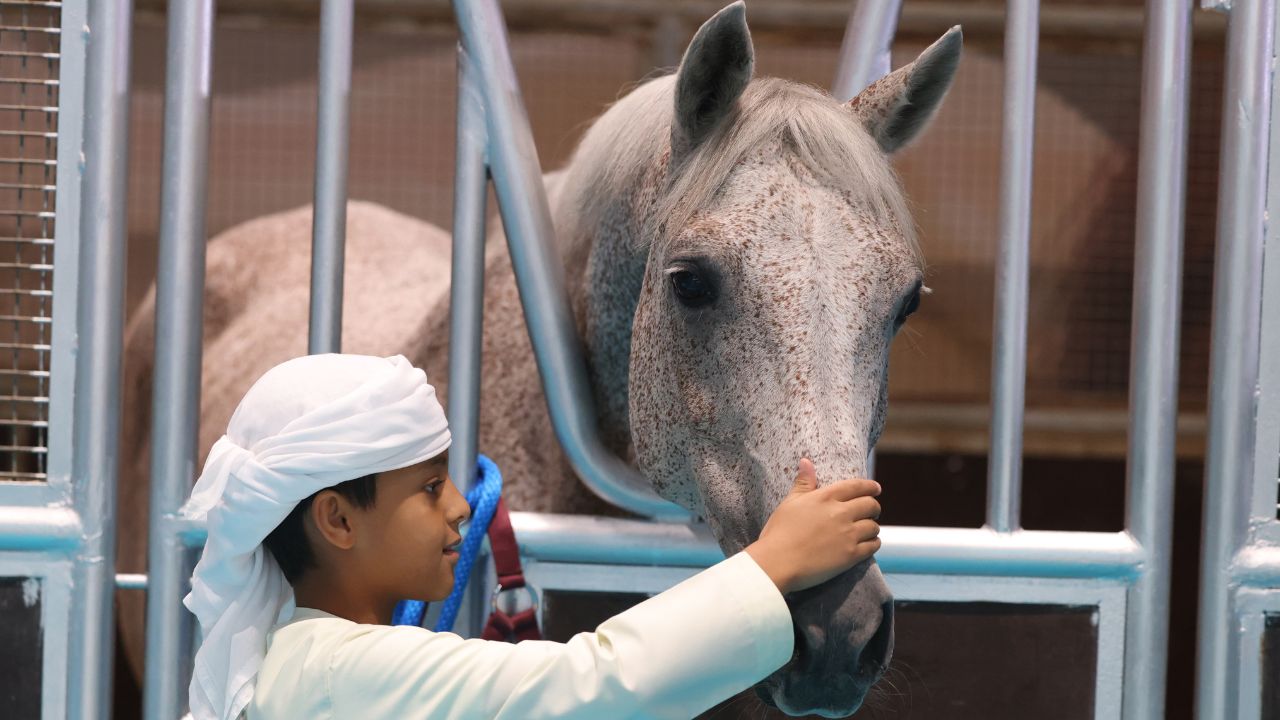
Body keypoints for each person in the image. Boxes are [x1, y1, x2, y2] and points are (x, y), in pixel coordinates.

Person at [180, 353, 884, 720]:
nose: (460, 504)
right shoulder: (337, 671)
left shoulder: (301, 662)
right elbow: (594, 685)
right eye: (429, 489)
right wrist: (771, 564)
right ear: (337, 519)